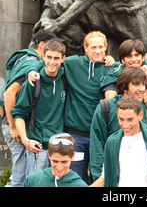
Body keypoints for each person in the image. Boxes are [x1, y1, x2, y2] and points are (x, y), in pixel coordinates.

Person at [28, 30, 115, 184]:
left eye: (101, 47)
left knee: (100, 178)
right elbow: (49, 62)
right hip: (76, 136)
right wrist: (32, 70)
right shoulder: (72, 63)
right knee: (75, 179)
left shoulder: (111, 67)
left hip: (100, 136)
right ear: (85, 48)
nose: (97, 51)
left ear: (106, 47)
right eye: (93, 47)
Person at [0, 29, 61, 187]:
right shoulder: (32, 63)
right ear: (42, 45)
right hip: (15, 123)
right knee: (23, 177)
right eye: (49, 53)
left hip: (9, 119)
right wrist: (12, 126)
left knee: (21, 174)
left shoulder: (22, 58)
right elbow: (8, 94)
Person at [89, 66, 147, 181]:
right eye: (136, 85)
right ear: (125, 87)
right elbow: (97, 145)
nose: (142, 89)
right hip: (111, 174)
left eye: (143, 84)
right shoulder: (105, 108)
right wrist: (99, 177)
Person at [11, 39, 67, 176]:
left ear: (63, 59)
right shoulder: (33, 82)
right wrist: (26, 141)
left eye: (56, 58)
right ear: (43, 57)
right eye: (49, 57)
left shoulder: (66, 77)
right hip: (38, 147)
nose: (52, 62)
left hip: (60, 146)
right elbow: (19, 114)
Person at [23, 133, 88, 187]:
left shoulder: (80, 185)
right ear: (48, 154)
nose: (59, 167)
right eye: (55, 161)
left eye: (64, 162)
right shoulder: (33, 180)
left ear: (73, 156)